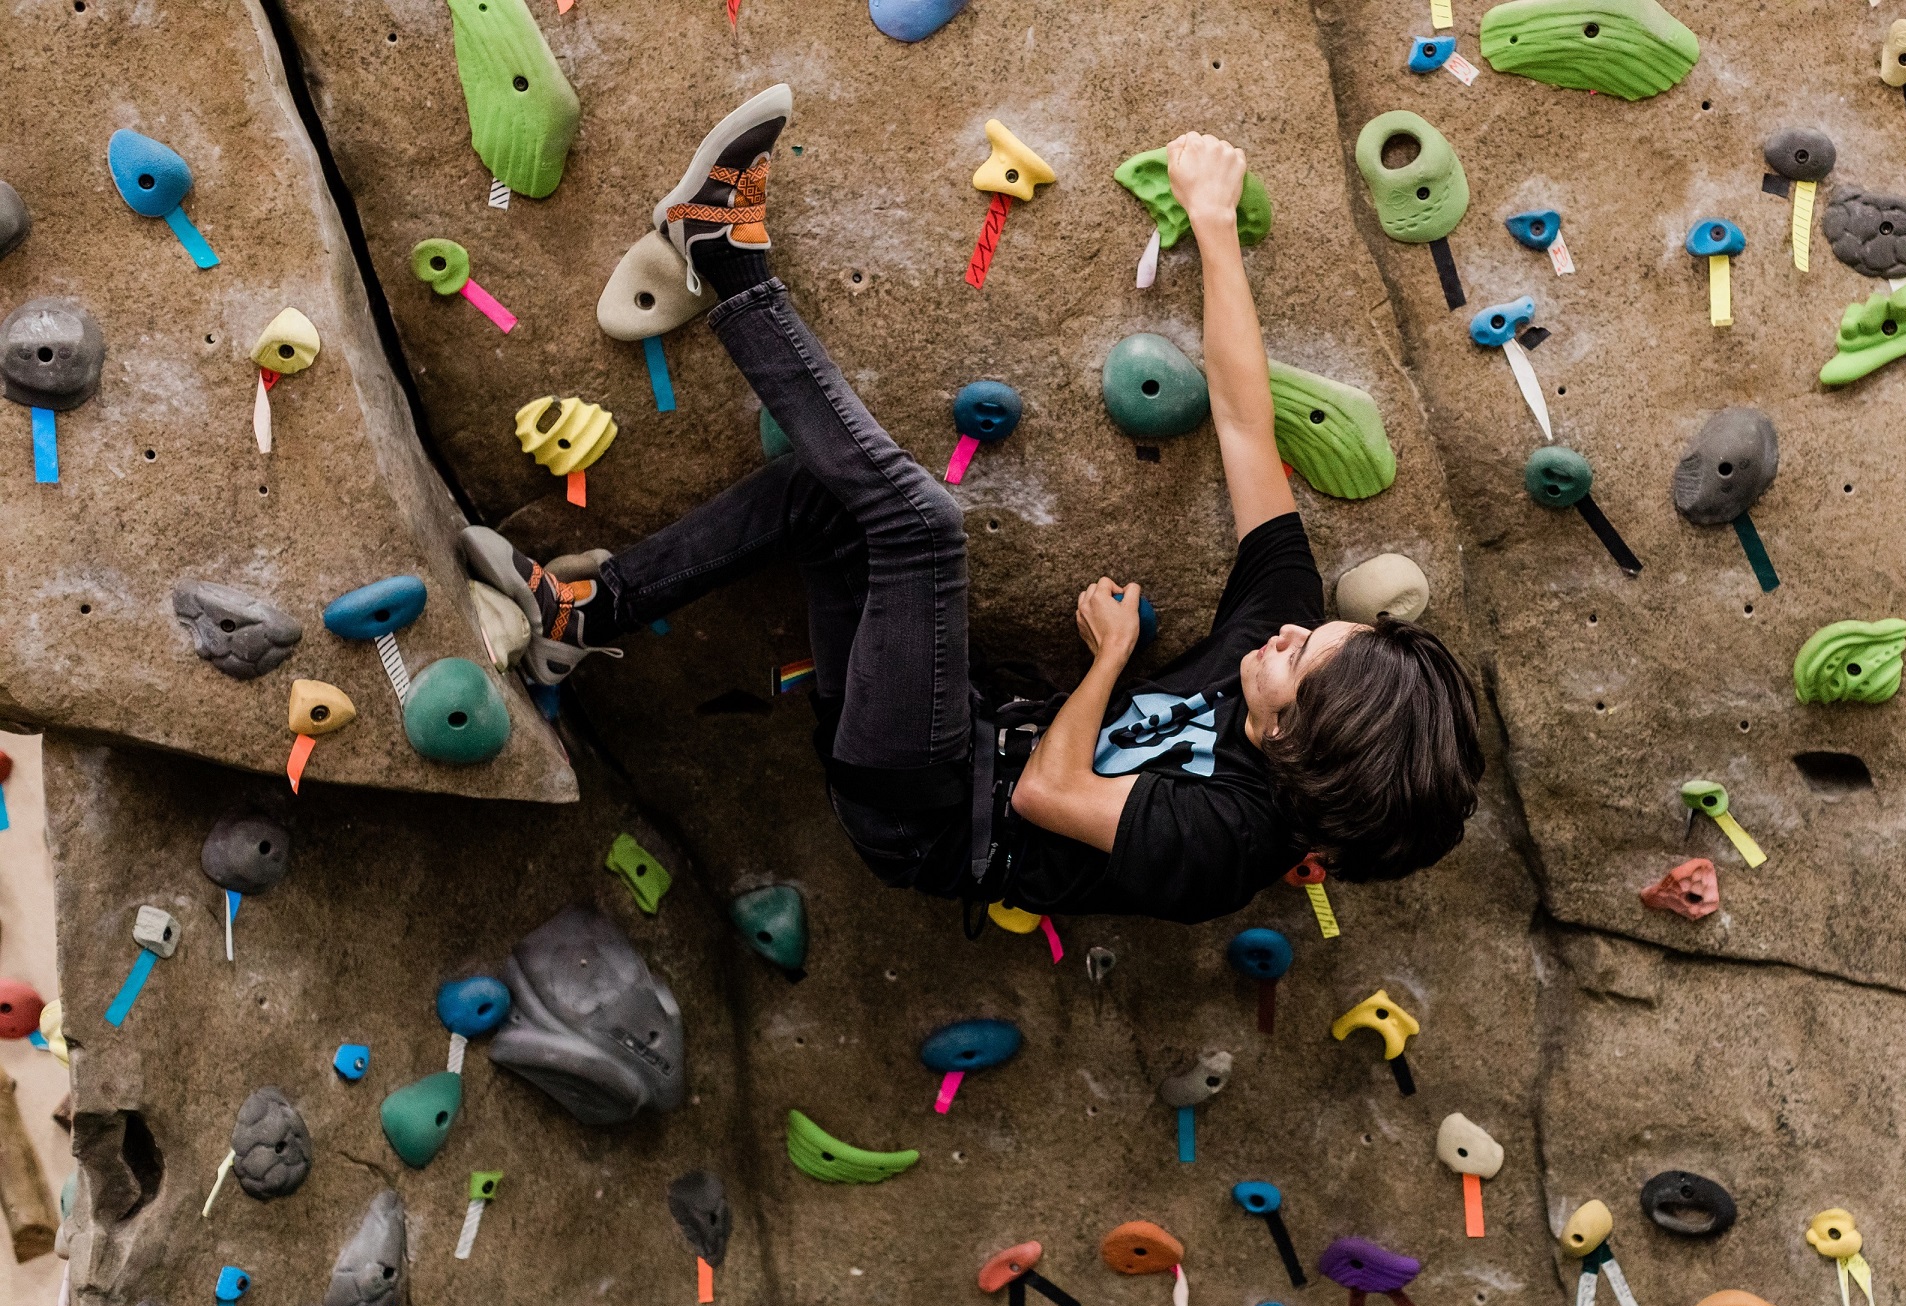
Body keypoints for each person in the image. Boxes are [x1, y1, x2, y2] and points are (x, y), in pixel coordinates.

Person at [463, 87, 1484, 926]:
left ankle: (720, 258)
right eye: (1320, 631)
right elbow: (1243, 427)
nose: (1291, 630)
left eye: (1299, 660)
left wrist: (1112, 661)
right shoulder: (1275, 632)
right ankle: (585, 614)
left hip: (923, 810)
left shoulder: (1222, 847)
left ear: (1294, 745)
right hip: (942, 721)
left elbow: (1049, 795)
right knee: (829, 502)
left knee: (918, 526)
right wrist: (1212, 226)